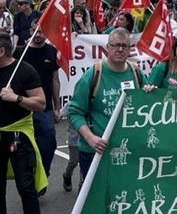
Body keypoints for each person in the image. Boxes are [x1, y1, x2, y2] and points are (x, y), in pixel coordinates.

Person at [68, 28, 144, 183]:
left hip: (127, 151)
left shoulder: (136, 73)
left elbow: (147, 106)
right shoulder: (94, 74)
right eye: (116, 45)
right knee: (92, 201)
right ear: (108, 47)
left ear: (130, 49)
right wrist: (90, 138)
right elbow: (75, 112)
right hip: (95, 151)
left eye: (124, 45)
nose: (120, 49)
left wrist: (150, 92)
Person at [0, 33, 47, 214]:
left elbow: (41, 103)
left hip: (18, 136)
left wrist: (16, 98)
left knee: (26, 186)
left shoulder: (24, 70)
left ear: (2, 51)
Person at [13, 20, 60, 180]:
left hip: (44, 108)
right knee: (23, 148)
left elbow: (55, 80)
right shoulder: (19, 52)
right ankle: (29, 178)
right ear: (30, 31)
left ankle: (44, 172)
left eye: (41, 32)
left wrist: (57, 107)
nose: (38, 35)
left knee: (49, 143)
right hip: (21, 108)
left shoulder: (51, 52)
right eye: (35, 31)